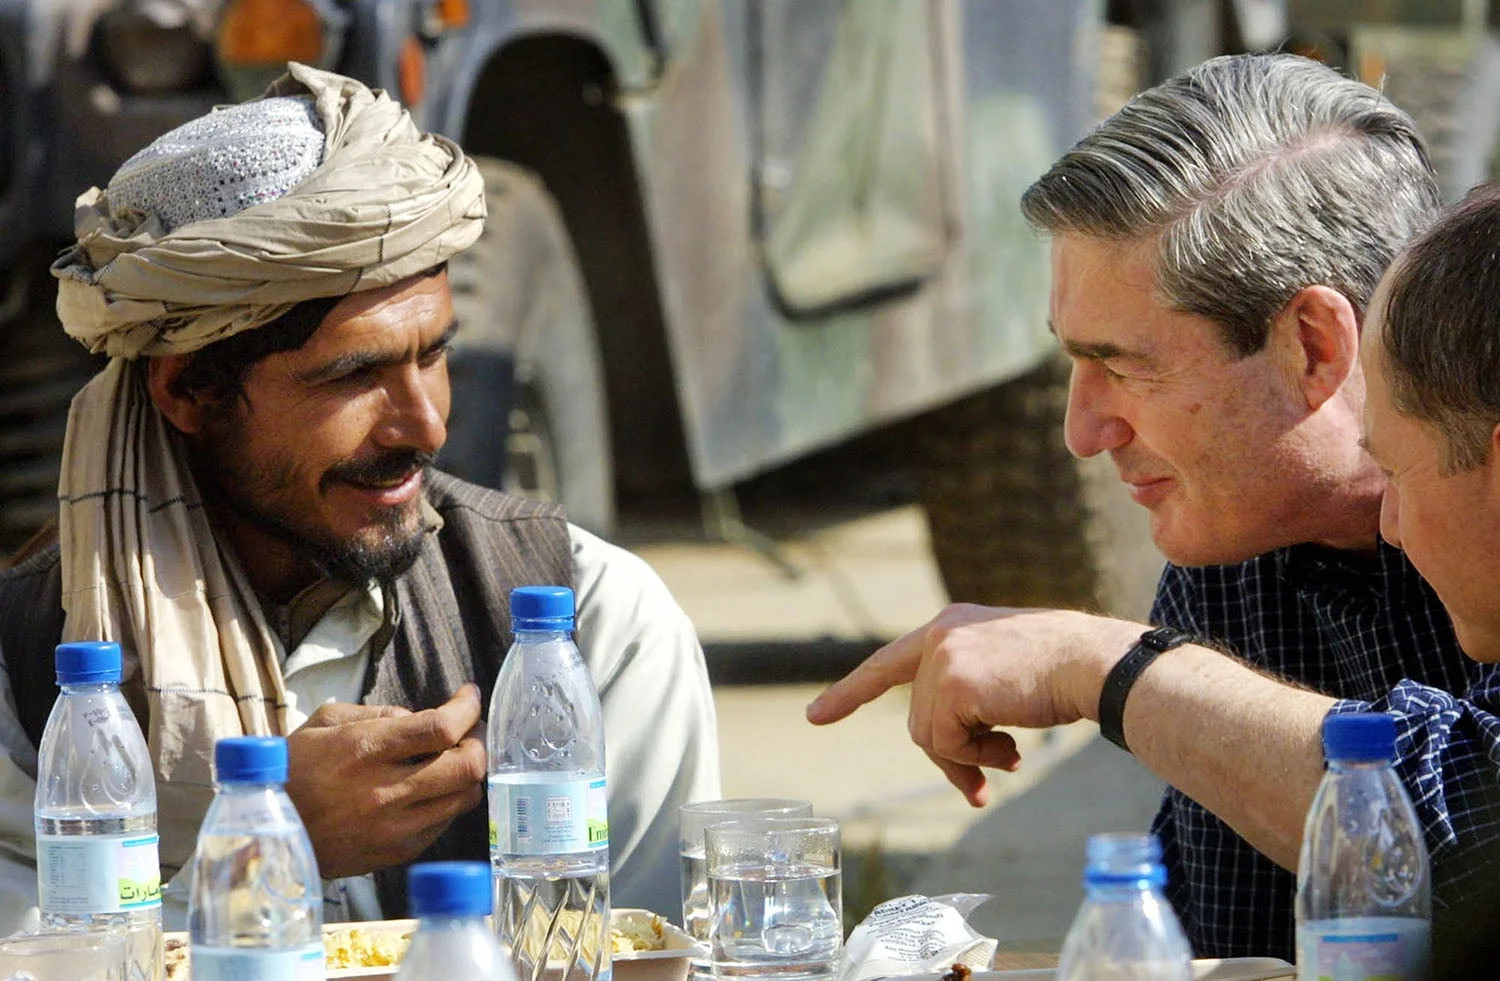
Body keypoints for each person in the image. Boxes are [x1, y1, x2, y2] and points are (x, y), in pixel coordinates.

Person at [807, 53, 1498, 962]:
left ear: (1314, 347)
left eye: (1124, 364)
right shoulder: (1235, 550)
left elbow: (1467, 840)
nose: (1081, 431)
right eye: (1072, 364)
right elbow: (1224, 946)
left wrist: (1110, 666)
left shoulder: (1476, 519)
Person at [0, 65, 720, 931]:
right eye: (355, 375)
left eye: (435, 355)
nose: (422, 426)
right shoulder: (25, 668)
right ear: (189, 391)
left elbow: (654, 947)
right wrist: (267, 849)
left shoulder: (594, 620)